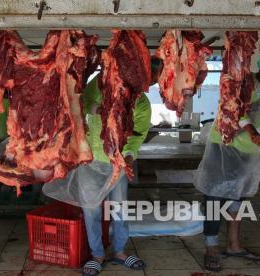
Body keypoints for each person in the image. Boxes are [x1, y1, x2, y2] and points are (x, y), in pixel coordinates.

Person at [194, 49, 260, 272]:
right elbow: (233, 109)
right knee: (215, 199)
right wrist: (252, 132)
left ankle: (234, 245)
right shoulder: (242, 84)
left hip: (247, 155)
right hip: (224, 149)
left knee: (237, 199)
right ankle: (211, 248)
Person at [80, 57, 161, 276]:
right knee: (91, 208)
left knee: (120, 207)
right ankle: (97, 254)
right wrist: (101, 109)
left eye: (154, 81)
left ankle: (120, 250)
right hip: (92, 158)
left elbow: (137, 135)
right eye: (149, 79)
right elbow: (84, 101)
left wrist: (129, 157)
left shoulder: (142, 103)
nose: (149, 85)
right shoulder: (103, 82)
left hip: (117, 161)